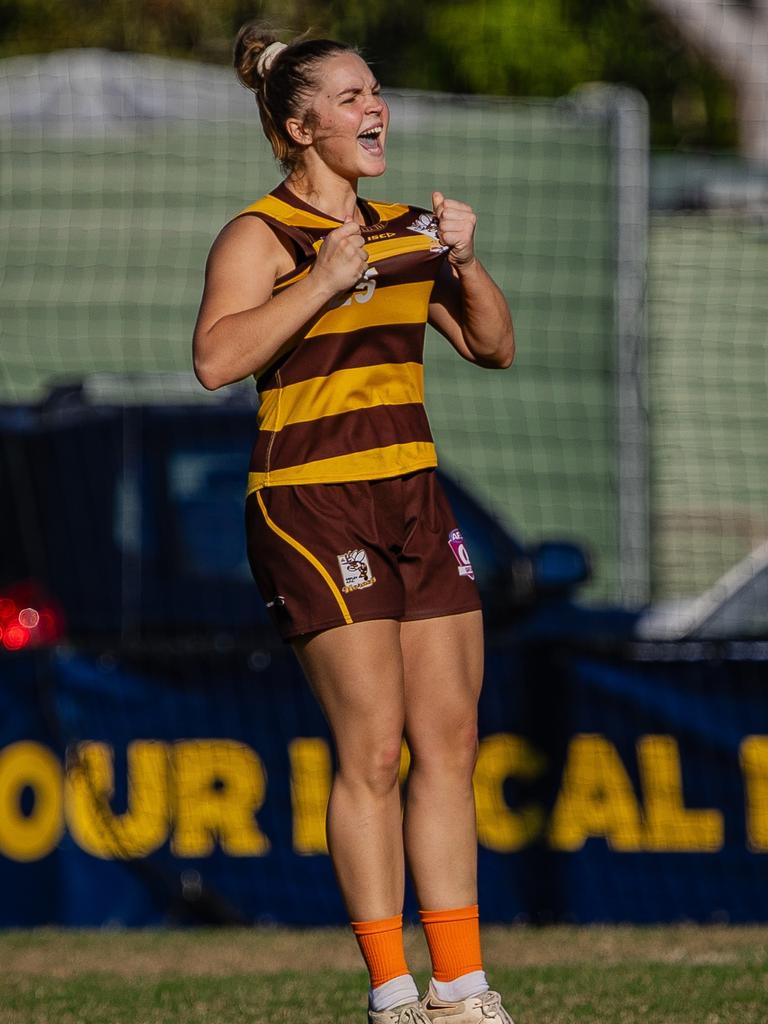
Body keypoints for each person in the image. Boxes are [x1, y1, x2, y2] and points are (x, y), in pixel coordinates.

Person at [193, 22, 516, 1024]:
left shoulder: (407, 224)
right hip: (309, 502)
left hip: (414, 496)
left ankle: (462, 988)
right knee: (373, 750)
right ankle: (392, 994)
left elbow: (494, 346)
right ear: (299, 128)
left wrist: (463, 261)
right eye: (348, 97)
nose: (374, 108)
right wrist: (324, 281)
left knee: (450, 737)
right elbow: (215, 359)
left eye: (375, 91)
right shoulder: (260, 234)